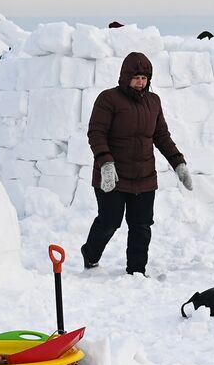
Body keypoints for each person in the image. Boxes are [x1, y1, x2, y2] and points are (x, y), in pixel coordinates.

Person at [81, 52, 191, 275]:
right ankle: (90, 254)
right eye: (136, 77)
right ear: (125, 76)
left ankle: (136, 270)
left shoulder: (153, 101)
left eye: (144, 77)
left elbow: (161, 136)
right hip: (113, 174)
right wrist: (106, 164)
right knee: (109, 221)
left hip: (144, 177)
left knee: (141, 225)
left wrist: (178, 163)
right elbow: (96, 133)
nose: (141, 82)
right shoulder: (108, 99)